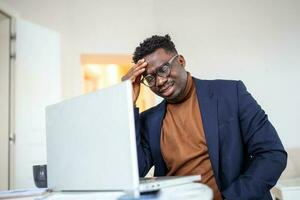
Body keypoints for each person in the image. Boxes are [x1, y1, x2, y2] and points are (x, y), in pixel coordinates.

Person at [121, 34, 287, 200]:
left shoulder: (231, 94)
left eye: (163, 69)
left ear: (180, 61)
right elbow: (134, 173)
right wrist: (125, 102)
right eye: (150, 78)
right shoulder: (149, 120)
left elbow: (272, 154)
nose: (159, 81)